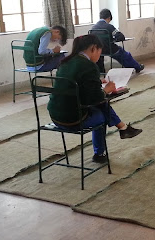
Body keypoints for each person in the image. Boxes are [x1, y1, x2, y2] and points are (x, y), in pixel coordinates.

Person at [47, 34, 142, 163]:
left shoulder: (66, 62)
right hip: (73, 119)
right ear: (93, 48)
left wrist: (97, 83)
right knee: (102, 113)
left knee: (100, 104)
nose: (99, 56)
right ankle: (100, 153)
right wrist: (106, 89)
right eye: (99, 52)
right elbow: (95, 99)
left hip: (55, 116)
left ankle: (123, 128)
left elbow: (76, 84)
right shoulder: (89, 65)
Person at [90, 9, 144, 73]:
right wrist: (115, 39)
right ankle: (137, 67)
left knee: (100, 56)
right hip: (109, 49)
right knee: (124, 54)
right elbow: (121, 36)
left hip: (98, 50)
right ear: (109, 18)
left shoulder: (93, 28)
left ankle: (101, 72)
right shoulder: (109, 26)